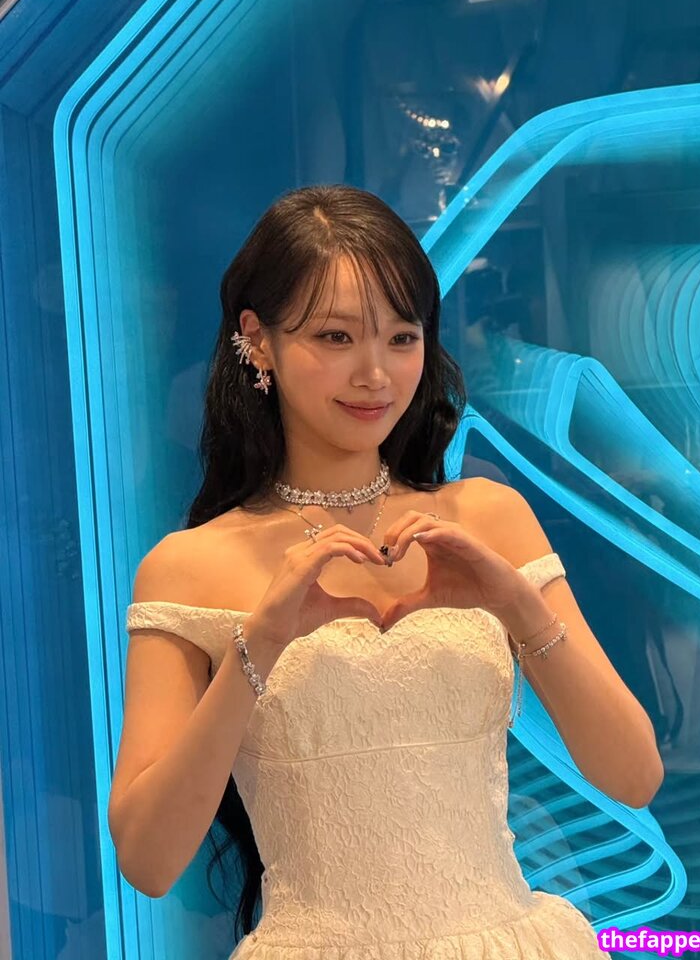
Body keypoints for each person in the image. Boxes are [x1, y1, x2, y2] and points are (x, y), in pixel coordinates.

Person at [111, 184, 661, 957]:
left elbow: (633, 776)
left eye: (403, 337)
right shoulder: (190, 567)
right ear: (257, 341)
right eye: (335, 337)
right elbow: (148, 860)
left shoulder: (486, 517)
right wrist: (256, 647)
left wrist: (521, 608)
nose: (375, 373)